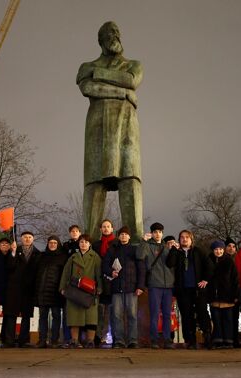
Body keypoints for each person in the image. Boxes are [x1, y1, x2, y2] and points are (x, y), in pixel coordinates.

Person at [78, 21, 145, 241]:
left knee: (130, 178)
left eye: (117, 32)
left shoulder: (133, 64)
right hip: (97, 129)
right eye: (109, 33)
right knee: (94, 183)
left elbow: (131, 80)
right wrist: (123, 94)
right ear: (100, 40)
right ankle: (89, 240)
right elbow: (88, 88)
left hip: (126, 127)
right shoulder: (87, 66)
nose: (114, 35)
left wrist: (98, 74)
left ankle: (135, 239)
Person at [167, 230, 212, 349]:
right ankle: (190, 340)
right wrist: (173, 249)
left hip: (198, 289)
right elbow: (170, 263)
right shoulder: (177, 252)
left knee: (202, 313)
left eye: (187, 237)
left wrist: (206, 279)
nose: (184, 239)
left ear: (191, 239)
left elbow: (209, 266)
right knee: (187, 315)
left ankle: (207, 338)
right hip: (183, 290)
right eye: (182, 237)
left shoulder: (198, 251)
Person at [103, 226, 145, 348]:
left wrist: (140, 286)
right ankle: (119, 340)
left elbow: (141, 269)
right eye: (121, 234)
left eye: (126, 234)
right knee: (117, 316)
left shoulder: (135, 250)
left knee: (132, 315)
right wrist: (111, 272)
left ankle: (133, 340)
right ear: (118, 236)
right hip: (116, 288)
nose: (123, 236)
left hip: (132, 288)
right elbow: (104, 265)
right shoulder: (112, 250)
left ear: (129, 236)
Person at [59, 234, 103, 348]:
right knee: (74, 317)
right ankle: (74, 340)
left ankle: (90, 341)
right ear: (78, 244)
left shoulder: (95, 257)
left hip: (90, 291)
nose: (83, 244)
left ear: (90, 244)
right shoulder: (73, 257)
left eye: (86, 242)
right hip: (74, 291)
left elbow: (99, 274)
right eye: (81, 242)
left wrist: (99, 288)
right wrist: (62, 288)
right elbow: (66, 273)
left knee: (91, 318)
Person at [137, 222, 174, 349]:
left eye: (160, 232)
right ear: (152, 233)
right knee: (154, 313)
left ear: (162, 233)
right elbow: (139, 256)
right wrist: (143, 241)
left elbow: (172, 263)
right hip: (154, 284)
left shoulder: (167, 246)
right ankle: (154, 339)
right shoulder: (148, 245)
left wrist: (175, 249)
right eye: (155, 232)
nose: (158, 234)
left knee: (167, 314)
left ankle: (167, 339)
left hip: (168, 285)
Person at [3, 231, 40, 348]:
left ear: (33, 239)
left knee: (26, 315)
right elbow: (9, 266)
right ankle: (9, 340)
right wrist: (13, 252)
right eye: (25, 237)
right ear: (21, 239)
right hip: (14, 288)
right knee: (11, 314)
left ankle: (23, 340)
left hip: (29, 289)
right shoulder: (14, 250)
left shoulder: (38, 254)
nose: (27, 239)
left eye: (29, 237)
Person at [35, 235, 66, 348]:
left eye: (55, 243)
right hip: (42, 292)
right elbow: (37, 273)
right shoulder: (42, 256)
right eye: (50, 243)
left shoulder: (62, 257)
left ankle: (54, 340)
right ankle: (42, 340)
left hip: (56, 292)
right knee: (42, 317)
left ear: (58, 244)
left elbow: (64, 275)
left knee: (56, 316)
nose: (52, 245)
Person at [208, 240, 239, 349]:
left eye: (221, 249)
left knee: (228, 320)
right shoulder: (209, 261)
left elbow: (235, 279)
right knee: (216, 320)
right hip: (214, 297)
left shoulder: (229, 261)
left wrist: (235, 295)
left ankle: (228, 341)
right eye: (216, 249)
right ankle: (218, 341)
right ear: (213, 250)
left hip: (227, 297)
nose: (219, 251)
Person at [92, 219, 115, 346]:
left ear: (112, 229)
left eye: (108, 226)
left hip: (113, 282)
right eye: (104, 226)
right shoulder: (96, 245)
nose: (106, 228)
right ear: (101, 229)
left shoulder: (116, 243)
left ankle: (111, 336)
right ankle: (98, 335)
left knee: (111, 312)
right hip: (100, 282)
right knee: (99, 311)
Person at [225, 237, 241, 348]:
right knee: (227, 318)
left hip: (237, 292)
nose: (231, 248)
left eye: (233, 246)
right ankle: (228, 339)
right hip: (226, 293)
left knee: (235, 317)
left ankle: (235, 339)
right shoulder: (223, 259)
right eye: (229, 246)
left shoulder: (238, 259)